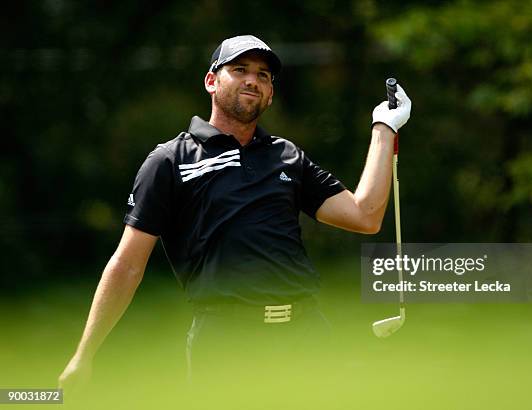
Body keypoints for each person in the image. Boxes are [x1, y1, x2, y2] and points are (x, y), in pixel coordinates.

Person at [58, 34, 411, 390]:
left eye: (263, 75)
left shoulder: (287, 156)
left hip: (307, 333)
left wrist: (383, 127)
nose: (252, 80)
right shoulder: (169, 160)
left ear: (270, 94)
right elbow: (127, 264)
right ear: (212, 81)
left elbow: (365, 216)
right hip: (224, 339)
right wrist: (84, 355)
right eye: (239, 69)